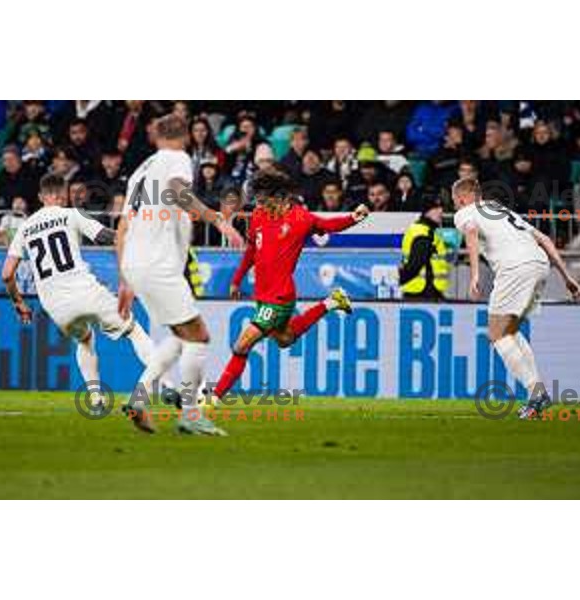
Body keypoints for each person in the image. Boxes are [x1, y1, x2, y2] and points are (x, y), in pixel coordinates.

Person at [117, 113, 244, 435]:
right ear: (186, 136)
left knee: (179, 335)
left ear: (155, 136)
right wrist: (216, 219)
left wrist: (124, 279)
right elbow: (177, 191)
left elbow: (123, 226)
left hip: (137, 262)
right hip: (159, 264)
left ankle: (138, 400)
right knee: (199, 336)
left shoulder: (141, 170)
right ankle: (190, 413)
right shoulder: (178, 158)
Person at [0, 174, 165, 414]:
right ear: (63, 195)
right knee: (133, 330)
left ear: (40, 197)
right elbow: (106, 237)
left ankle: (96, 399)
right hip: (86, 291)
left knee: (85, 340)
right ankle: (165, 385)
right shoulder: (71, 214)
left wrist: (18, 303)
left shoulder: (25, 228)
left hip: (56, 306)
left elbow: (6, 274)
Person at [212, 167, 370, 404]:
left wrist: (354, 217)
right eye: (258, 201)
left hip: (280, 296)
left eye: (265, 201)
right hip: (262, 295)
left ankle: (214, 398)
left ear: (281, 197)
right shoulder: (258, 215)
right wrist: (237, 278)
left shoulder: (300, 218)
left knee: (242, 344)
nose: (261, 206)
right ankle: (331, 302)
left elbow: (329, 225)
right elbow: (252, 250)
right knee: (285, 339)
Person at [451, 177, 580, 420]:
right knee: (509, 331)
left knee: (497, 333)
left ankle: (536, 393)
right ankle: (537, 392)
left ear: (461, 198)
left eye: (455, 202)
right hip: (539, 264)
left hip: (515, 268)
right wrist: (566, 277)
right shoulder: (499, 209)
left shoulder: (465, 213)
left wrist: (475, 274)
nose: (456, 206)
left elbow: (470, 231)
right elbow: (543, 238)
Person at [399, 197, 450, 301]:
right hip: (423, 292)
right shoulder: (424, 233)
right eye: (436, 208)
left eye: (441, 208)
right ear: (427, 212)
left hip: (420, 290)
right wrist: (403, 278)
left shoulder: (424, 230)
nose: (441, 211)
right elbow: (416, 263)